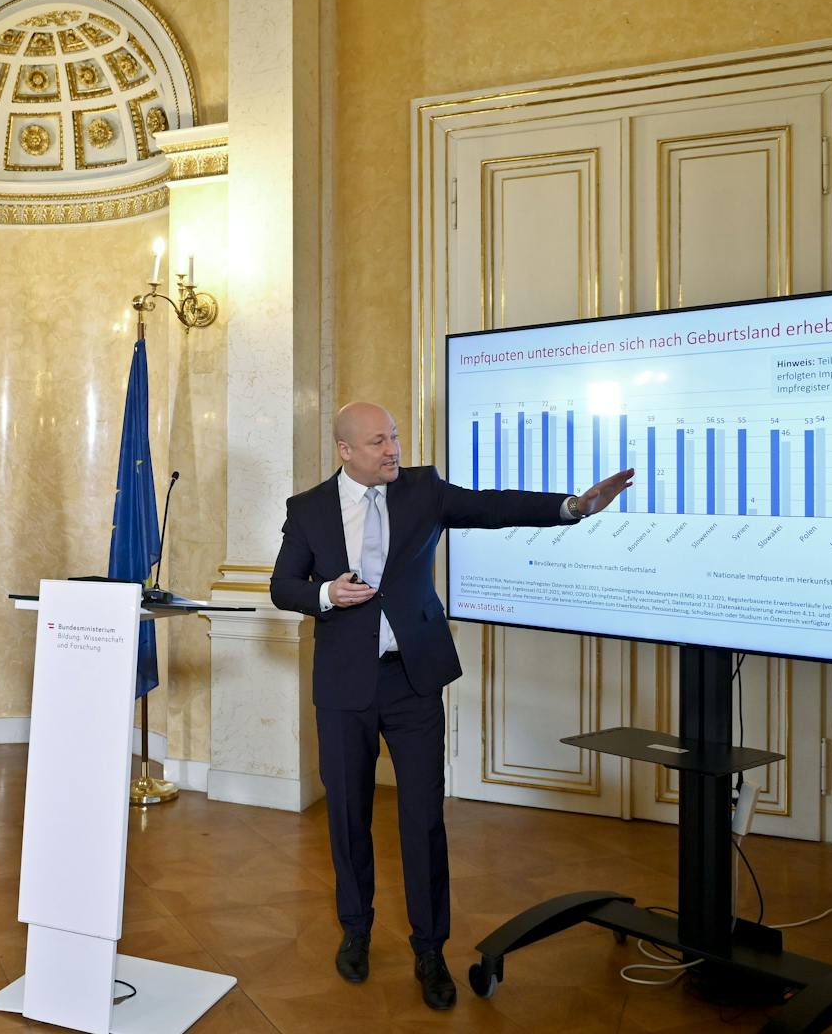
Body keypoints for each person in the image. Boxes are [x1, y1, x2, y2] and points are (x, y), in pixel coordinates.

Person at [270, 401, 632, 1010]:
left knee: (423, 818)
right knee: (348, 816)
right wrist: (325, 594)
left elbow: (493, 506)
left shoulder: (424, 491)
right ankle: (355, 930)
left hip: (413, 681)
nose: (392, 449)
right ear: (346, 451)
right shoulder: (306, 509)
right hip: (344, 687)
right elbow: (283, 586)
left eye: (394, 438)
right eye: (378, 441)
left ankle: (429, 947)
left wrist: (571, 507)